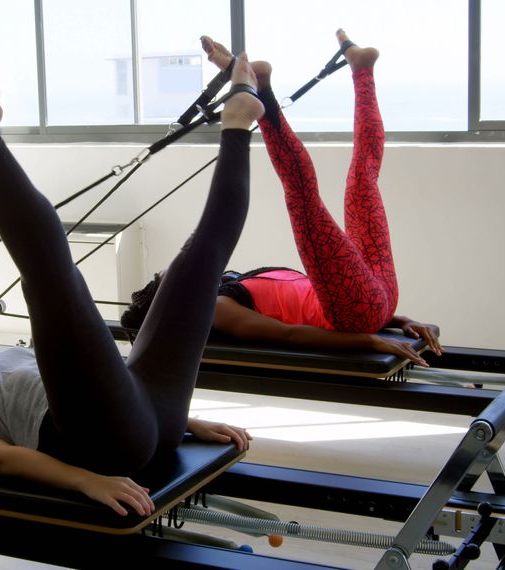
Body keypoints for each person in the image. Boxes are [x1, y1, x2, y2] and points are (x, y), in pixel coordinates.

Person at [0, 33, 259, 517]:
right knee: (51, 278)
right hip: (101, 446)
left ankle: (237, 124)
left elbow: (97, 388)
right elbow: (0, 458)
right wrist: (85, 480)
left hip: (147, 414)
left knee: (199, 263)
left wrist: (186, 422)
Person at [121, 30, 442, 367]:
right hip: (358, 317)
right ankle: (260, 86)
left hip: (377, 299)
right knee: (302, 196)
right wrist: (370, 338)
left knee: (362, 180)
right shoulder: (218, 309)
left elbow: (323, 293)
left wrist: (395, 320)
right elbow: (288, 334)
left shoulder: (235, 282)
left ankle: (362, 69)